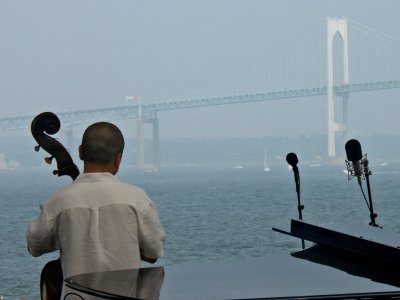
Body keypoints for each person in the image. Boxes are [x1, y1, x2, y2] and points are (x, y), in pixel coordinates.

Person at [26, 121, 165, 298]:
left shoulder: (57, 202)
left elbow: (34, 246)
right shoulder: (138, 200)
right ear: (118, 158)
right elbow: (153, 253)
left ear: (81, 152)